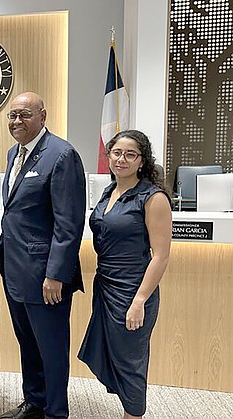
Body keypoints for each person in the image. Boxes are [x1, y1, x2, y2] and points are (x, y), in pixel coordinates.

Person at [0, 92, 86, 419]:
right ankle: (34, 403)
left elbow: (70, 222)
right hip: (15, 270)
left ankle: (56, 412)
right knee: (28, 344)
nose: (16, 122)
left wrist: (56, 275)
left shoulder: (62, 155)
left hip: (46, 276)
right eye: (12, 116)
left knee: (51, 349)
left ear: (43, 116)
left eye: (25, 115)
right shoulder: (13, 154)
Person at [78, 130, 172, 419]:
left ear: (142, 161)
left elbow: (160, 256)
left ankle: (133, 415)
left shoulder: (153, 198)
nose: (122, 159)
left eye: (130, 154)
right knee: (114, 356)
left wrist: (139, 300)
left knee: (131, 361)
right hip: (105, 286)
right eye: (117, 153)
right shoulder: (109, 192)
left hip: (132, 290)